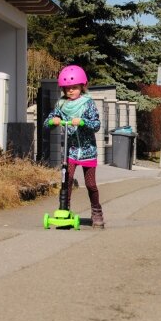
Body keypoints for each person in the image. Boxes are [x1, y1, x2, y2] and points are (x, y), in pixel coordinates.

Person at [44, 65, 104, 228]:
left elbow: (97, 125)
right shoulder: (61, 105)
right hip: (70, 152)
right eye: (67, 88)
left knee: (90, 184)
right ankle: (64, 209)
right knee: (66, 181)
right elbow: (46, 122)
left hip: (88, 151)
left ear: (82, 87)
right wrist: (52, 121)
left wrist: (83, 122)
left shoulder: (88, 104)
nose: (71, 91)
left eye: (74, 88)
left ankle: (96, 211)